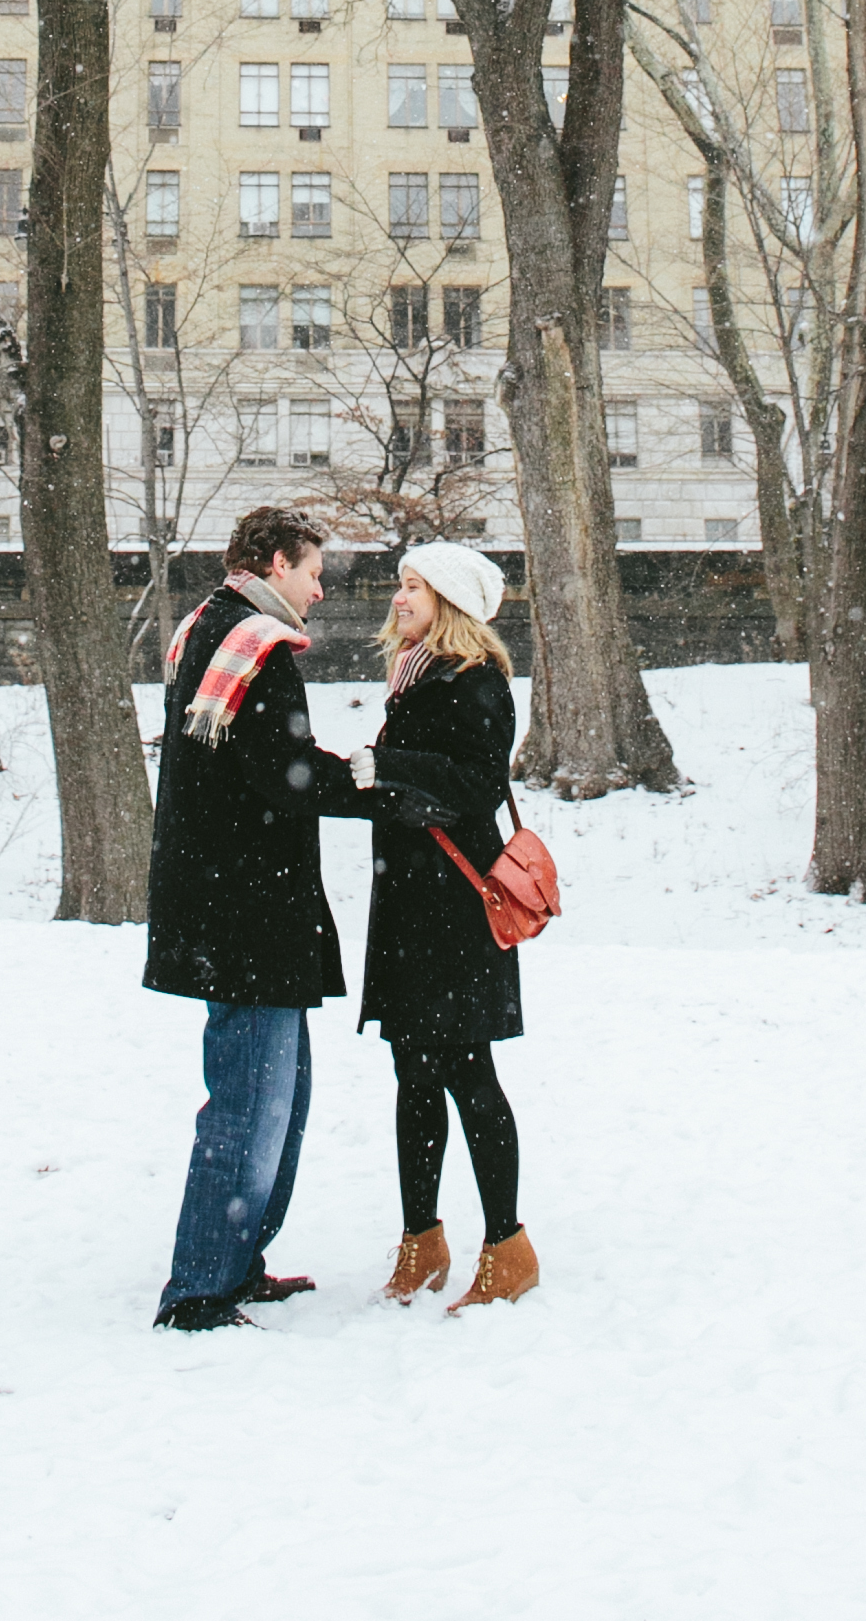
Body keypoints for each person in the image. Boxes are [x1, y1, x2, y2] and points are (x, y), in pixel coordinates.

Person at [143, 506, 399, 1331]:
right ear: (277, 562)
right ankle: (199, 1291)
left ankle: (235, 1261)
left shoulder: (208, 628)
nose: (321, 590)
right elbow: (280, 771)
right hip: (247, 913)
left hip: (229, 904)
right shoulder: (253, 643)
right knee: (252, 1107)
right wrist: (376, 786)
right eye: (313, 571)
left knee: (271, 1099)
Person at [356, 541, 539, 1312]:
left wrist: (391, 769)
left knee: (467, 1073)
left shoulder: (475, 681)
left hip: (455, 909)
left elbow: (477, 785)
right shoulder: (415, 677)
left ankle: (507, 1248)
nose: (397, 598)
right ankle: (420, 1240)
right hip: (409, 903)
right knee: (412, 1074)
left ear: (450, 603)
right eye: (400, 584)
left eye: (413, 587)